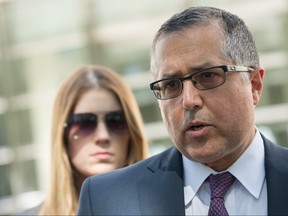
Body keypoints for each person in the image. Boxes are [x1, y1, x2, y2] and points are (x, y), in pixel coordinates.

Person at [77, 6, 288, 216]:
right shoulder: (106, 200)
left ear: (254, 85)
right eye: (171, 84)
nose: (189, 100)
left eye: (207, 76)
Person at [19, 65, 148, 215]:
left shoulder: (165, 207)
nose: (103, 136)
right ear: (63, 134)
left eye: (116, 121)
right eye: (85, 123)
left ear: (132, 132)